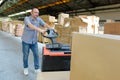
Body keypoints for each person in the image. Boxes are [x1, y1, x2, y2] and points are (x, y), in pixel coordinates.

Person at [21, 8, 51, 75]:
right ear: (31, 13)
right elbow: (30, 26)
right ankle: (25, 68)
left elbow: (44, 24)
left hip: (34, 42)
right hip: (26, 41)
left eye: (37, 13)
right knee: (25, 55)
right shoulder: (27, 19)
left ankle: (36, 68)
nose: (36, 14)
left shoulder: (39, 19)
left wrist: (51, 28)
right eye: (35, 12)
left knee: (36, 55)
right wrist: (39, 30)